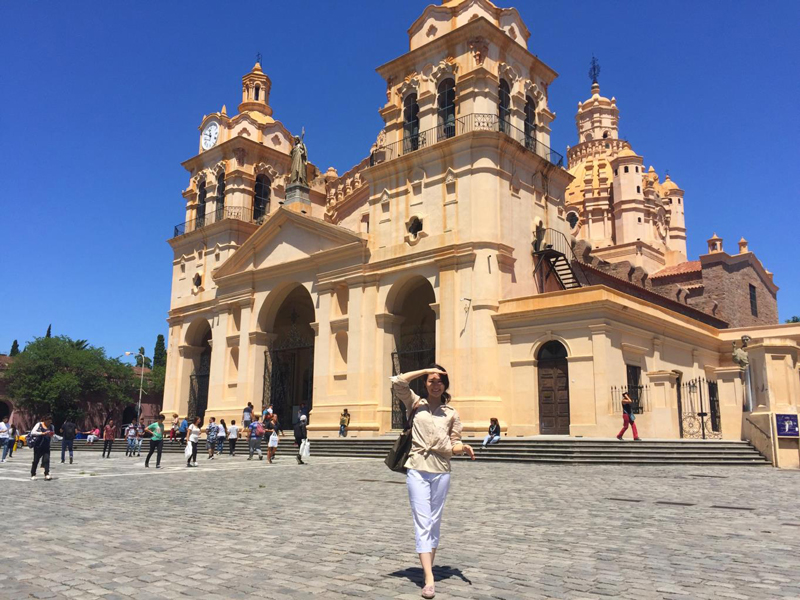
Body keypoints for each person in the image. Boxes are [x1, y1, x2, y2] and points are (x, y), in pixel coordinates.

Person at [391, 365, 475, 599]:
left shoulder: (451, 413)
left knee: (434, 521)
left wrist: (462, 448)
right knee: (423, 520)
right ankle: (429, 577)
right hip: (417, 467)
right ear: (425, 384)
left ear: (445, 385)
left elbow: (454, 442)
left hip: (441, 470)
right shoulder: (415, 403)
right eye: (431, 380)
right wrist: (427, 368)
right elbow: (398, 382)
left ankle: (428, 568)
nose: (435, 384)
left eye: (439, 380)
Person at [29, 415, 56, 481]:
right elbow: (33, 432)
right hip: (38, 445)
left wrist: (51, 435)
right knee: (36, 460)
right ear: (44, 420)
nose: (49, 423)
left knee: (46, 460)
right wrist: (42, 433)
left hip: (46, 446)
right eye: (48, 421)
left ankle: (46, 474)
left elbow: (53, 435)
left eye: (50, 422)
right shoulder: (39, 424)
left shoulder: (52, 427)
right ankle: (33, 474)